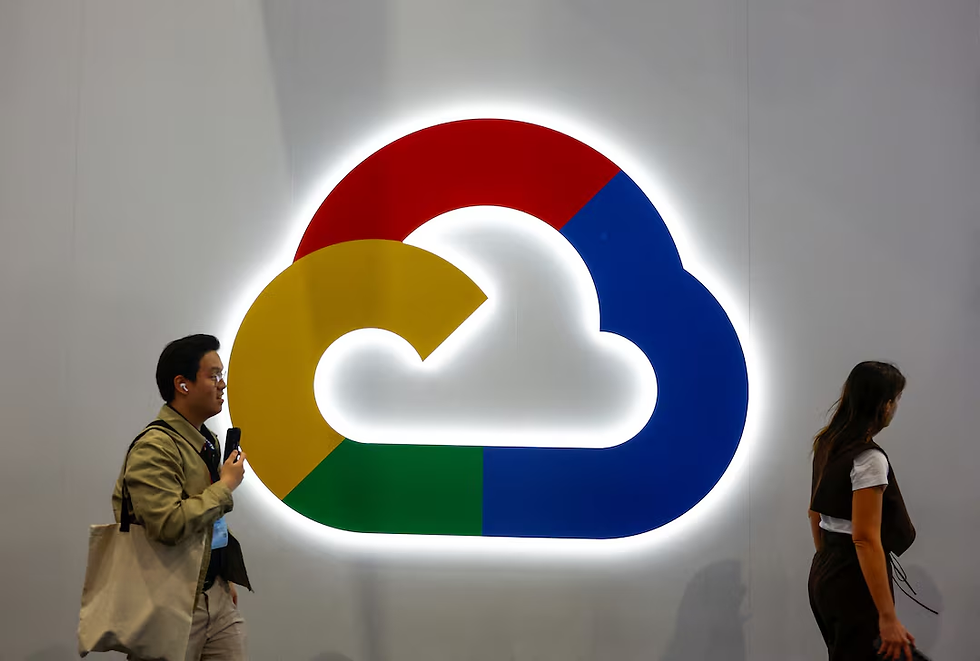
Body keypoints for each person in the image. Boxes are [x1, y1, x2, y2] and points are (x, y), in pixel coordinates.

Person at [112, 334, 252, 660]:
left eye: (223, 374)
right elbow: (168, 524)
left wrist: (221, 576)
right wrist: (226, 485)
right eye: (213, 375)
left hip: (213, 594)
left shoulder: (207, 441)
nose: (223, 384)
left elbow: (208, 518)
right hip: (169, 601)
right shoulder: (155, 446)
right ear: (183, 384)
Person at [807, 361, 917, 661]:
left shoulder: (828, 443)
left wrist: (827, 558)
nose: (895, 408)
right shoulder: (869, 458)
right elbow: (865, 539)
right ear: (884, 404)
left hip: (825, 572)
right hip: (853, 579)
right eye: (895, 399)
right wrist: (887, 617)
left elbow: (814, 513)